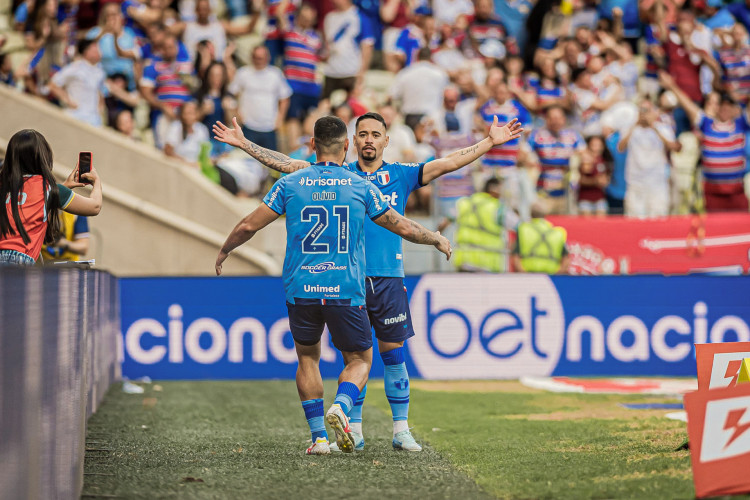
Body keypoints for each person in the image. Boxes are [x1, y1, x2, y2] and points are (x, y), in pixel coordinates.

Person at [213, 110, 522, 451]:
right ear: (352, 141)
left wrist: (488, 142)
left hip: (386, 276)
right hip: (351, 278)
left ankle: (400, 430)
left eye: (376, 134)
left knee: (391, 354)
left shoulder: (401, 174)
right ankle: (354, 428)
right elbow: (286, 163)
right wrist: (244, 144)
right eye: (363, 134)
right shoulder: (344, 176)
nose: (369, 139)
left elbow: (448, 162)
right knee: (356, 359)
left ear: (386, 140)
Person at [0, 129, 103, 266]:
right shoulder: (48, 188)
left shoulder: (3, 185)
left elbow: (28, 200)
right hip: (19, 265)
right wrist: (97, 182)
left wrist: (64, 186)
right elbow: (95, 206)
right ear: (43, 157)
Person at [660, 70, 750, 213]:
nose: (725, 108)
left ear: (735, 108)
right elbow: (688, 105)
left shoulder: (741, 124)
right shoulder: (707, 124)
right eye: (722, 104)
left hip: (736, 193)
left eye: (729, 105)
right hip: (713, 194)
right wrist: (672, 87)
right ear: (717, 107)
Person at [617, 97, 680, 218]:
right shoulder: (629, 128)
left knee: (658, 220)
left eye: (647, 110)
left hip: (657, 183)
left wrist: (654, 127)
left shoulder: (663, 128)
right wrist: (635, 124)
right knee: (634, 220)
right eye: (642, 110)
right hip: (635, 183)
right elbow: (620, 148)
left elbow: (674, 147)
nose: (644, 113)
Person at [227, 45, 292, 152]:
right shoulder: (243, 73)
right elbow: (231, 94)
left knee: (271, 162)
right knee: (246, 158)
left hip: (269, 126)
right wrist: (237, 113)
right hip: (248, 125)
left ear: (268, 58)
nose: (258, 61)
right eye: (256, 57)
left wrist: (280, 118)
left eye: (261, 58)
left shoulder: (275, 74)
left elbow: (285, 97)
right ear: (252, 57)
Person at [451, 177, 519, 272]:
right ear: (494, 189)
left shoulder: (464, 203)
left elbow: (446, 221)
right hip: (486, 265)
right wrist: (514, 249)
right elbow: (520, 227)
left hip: (463, 263)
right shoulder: (499, 208)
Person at [48, 38, 107, 127]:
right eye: (95, 48)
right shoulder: (75, 68)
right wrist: (67, 100)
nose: (99, 51)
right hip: (76, 115)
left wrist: (100, 108)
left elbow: (100, 92)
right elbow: (53, 84)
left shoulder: (100, 72)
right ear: (86, 51)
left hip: (94, 120)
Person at [511, 205, 569, 274]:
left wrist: (523, 273)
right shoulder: (557, 233)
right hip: (551, 276)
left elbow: (515, 256)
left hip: (528, 274)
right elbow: (566, 258)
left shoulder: (523, 229)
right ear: (545, 216)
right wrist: (558, 275)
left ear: (531, 215)